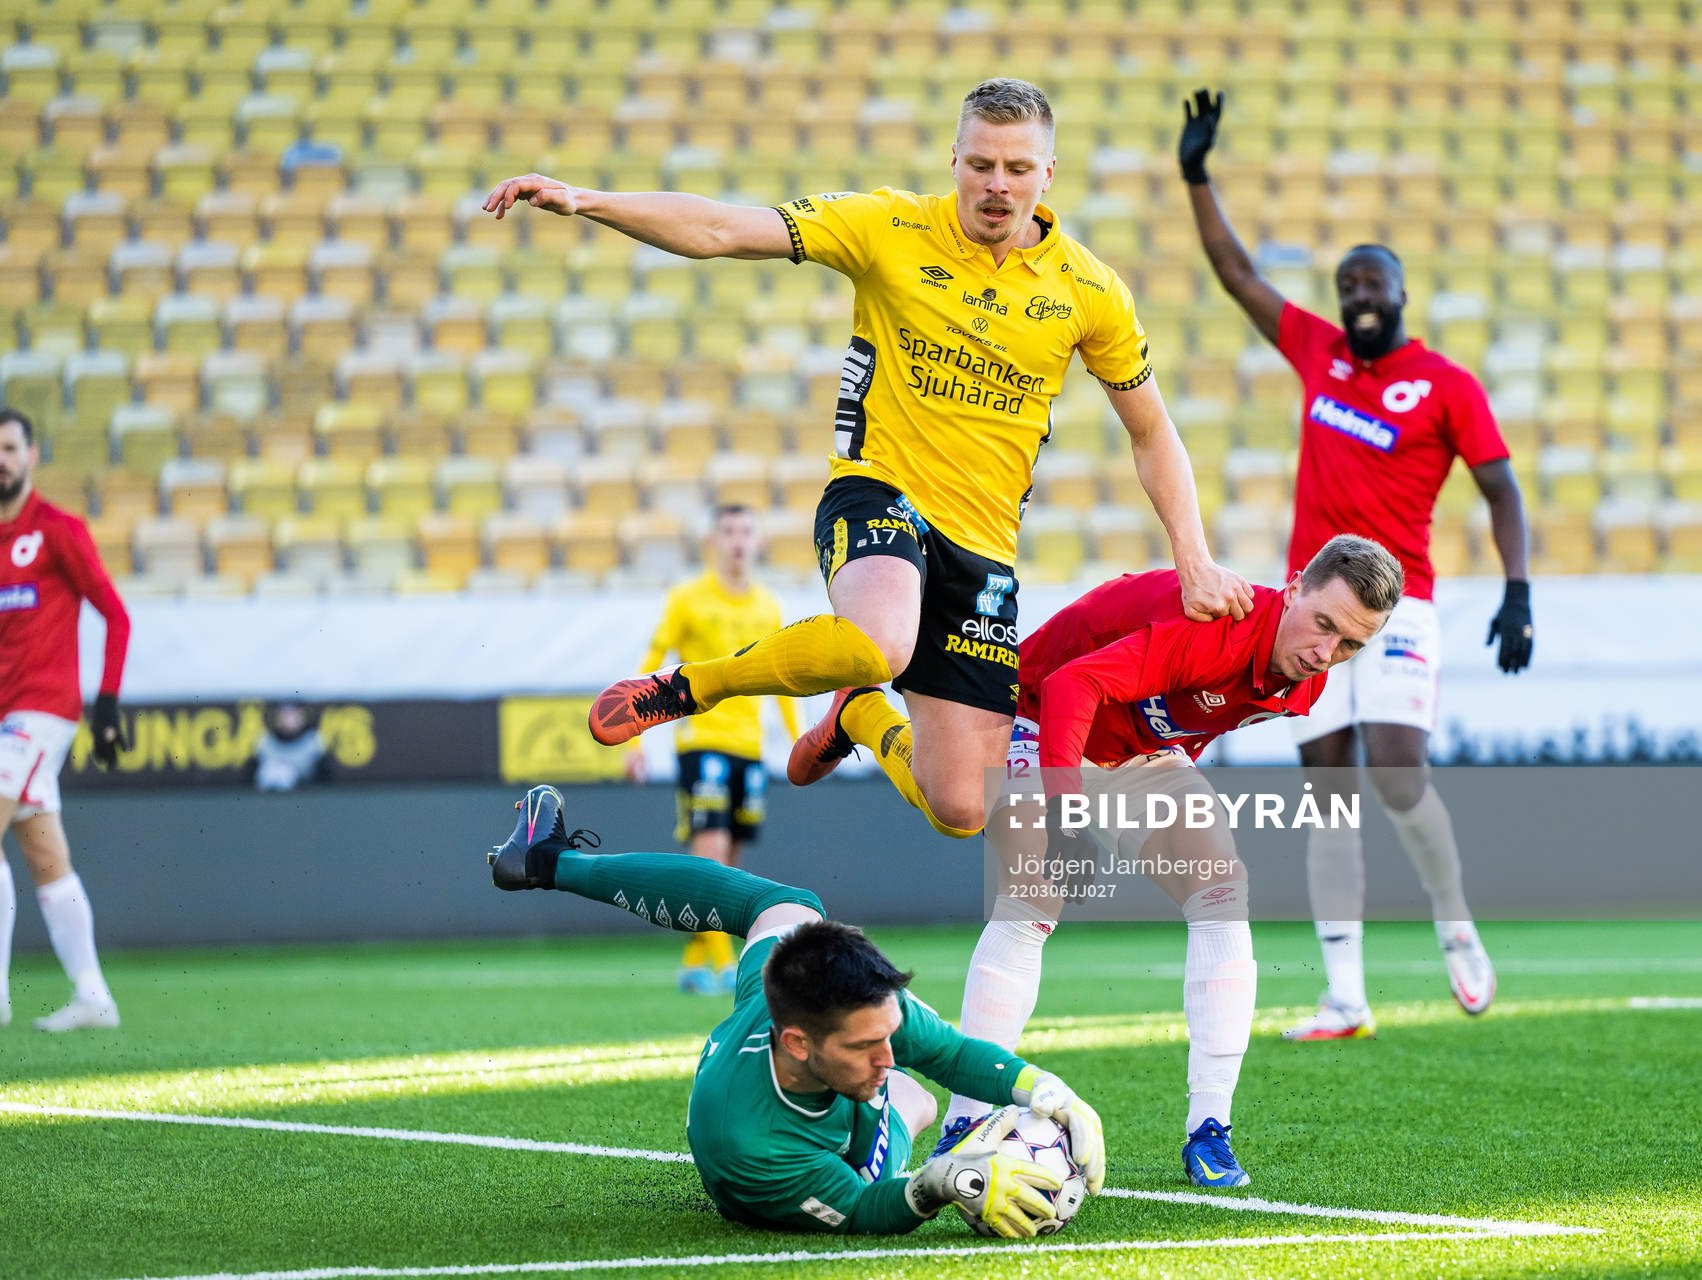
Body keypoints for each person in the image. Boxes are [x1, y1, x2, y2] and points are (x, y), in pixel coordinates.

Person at [486, 77, 1251, 846]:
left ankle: (858, 712)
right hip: (877, 490)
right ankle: (691, 687)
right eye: (981, 163)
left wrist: (1195, 558)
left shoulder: (1090, 291)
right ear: (953, 160)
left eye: (1018, 168)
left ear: (1047, 175)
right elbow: (722, 228)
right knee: (881, 640)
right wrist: (587, 199)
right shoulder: (887, 226)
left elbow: (1152, 432)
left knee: (962, 807)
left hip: (982, 546)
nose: (996, 184)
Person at [1178, 89, 1533, 1037]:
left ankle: (1453, 922)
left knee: (1399, 777)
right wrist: (1196, 174)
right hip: (1311, 611)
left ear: (1400, 292)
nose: (1358, 298)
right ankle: (1345, 994)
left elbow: (1501, 489)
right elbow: (1237, 274)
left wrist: (1518, 592)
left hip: (1404, 604)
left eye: (1372, 285)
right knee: (1328, 795)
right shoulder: (1319, 353)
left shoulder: (1445, 384)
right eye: (1347, 287)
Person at [939, 534, 1405, 1188]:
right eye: (1323, 624)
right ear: (1294, 585)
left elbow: (1188, 721)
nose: (1326, 653)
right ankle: (963, 1125)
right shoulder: (1221, 628)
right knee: (1037, 887)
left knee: (1221, 888)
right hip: (1039, 709)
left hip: (1131, 745)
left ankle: (1210, 1130)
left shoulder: (1305, 681)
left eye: (1351, 645)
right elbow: (1074, 682)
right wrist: (1070, 811)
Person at [488, 784, 1106, 1237]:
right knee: (911, 1102)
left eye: (887, 1034)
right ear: (799, 1043)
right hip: (762, 1165)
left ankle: (546, 862)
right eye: (867, 1047)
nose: (888, 1055)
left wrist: (1046, 1089)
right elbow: (868, 1211)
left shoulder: (862, 1010)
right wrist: (941, 1182)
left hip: (773, 1033)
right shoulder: (750, 1144)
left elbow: (948, 1052)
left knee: (786, 905)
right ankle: (900, 1117)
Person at [0, 408, 132, 1032]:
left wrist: (108, 702)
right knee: (43, 854)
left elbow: (115, 616)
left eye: (10, 448)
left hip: (42, 715)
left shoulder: (60, 531)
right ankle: (94, 997)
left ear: (31, 456)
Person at [629, 504, 801, 995]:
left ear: (758, 542)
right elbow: (653, 662)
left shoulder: (768, 607)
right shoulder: (687, 599)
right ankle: (728, 965)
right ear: (712, 542)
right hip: (701, 741)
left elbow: (781, 678)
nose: (738, 541)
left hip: (748, 745)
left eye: (746, 530)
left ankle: (695, 959)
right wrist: (636, 733)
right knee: (710, 855)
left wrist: (798, 740)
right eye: (728, 531)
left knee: (732, 857)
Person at [249, 700, 331, 792]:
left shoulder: (314, 742)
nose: (290, 720)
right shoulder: (265, 742)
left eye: (295, 715)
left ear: (303, 716)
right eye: (286, 715)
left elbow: (325, 780)